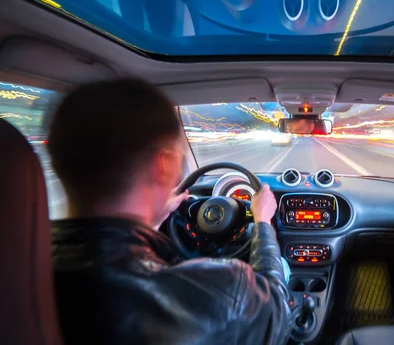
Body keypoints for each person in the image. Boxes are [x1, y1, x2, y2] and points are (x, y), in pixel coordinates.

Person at [48, 79, 292, 344]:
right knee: (285, 269)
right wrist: (263, 222)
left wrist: (151, 221)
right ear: (162, 165)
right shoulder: (224, 290)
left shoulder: (20, 270)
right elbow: (276, 314)